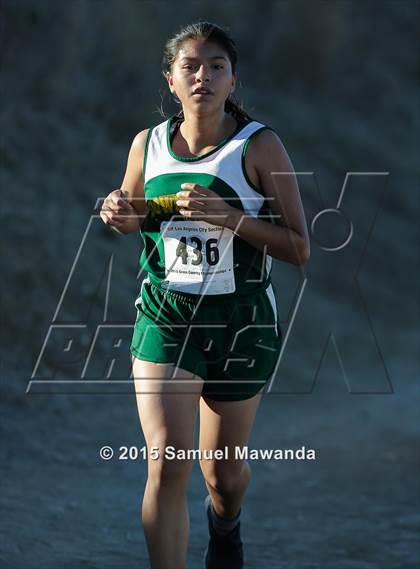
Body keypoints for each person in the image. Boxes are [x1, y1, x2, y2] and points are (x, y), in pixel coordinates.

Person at [100, 20, 310, 569]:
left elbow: (299, 247)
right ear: (170, 79)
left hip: (241, 322)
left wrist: (231, 219)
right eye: (190, 66)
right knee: (168, 462)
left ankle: (227, 524)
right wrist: (116, 211)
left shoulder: (259, 146)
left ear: (233, 79)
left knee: (223, 474)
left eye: (217, 66)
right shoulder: (146, 145)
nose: (203, 77)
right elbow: (132, 213)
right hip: (166, 316)